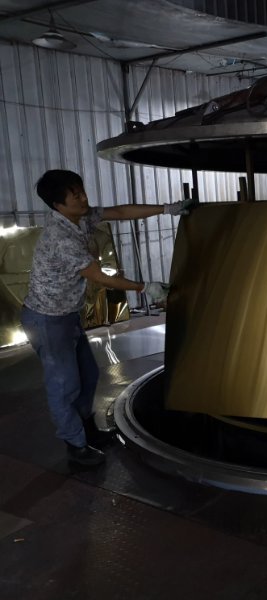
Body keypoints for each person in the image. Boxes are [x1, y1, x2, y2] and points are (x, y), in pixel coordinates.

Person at [20, 169, 195, 466]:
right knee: (64, 385)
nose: (83, 198)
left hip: (67, 315)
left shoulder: (81, 217)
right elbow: (99, 277)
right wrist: (145, 288)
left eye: (82, 191)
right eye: (75, 195)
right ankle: (76, 447)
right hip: (47, 320)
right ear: (58, 204)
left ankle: (87, 431)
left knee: (88, 376)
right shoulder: (61, 237)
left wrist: (169, 208)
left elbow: (121, 212)